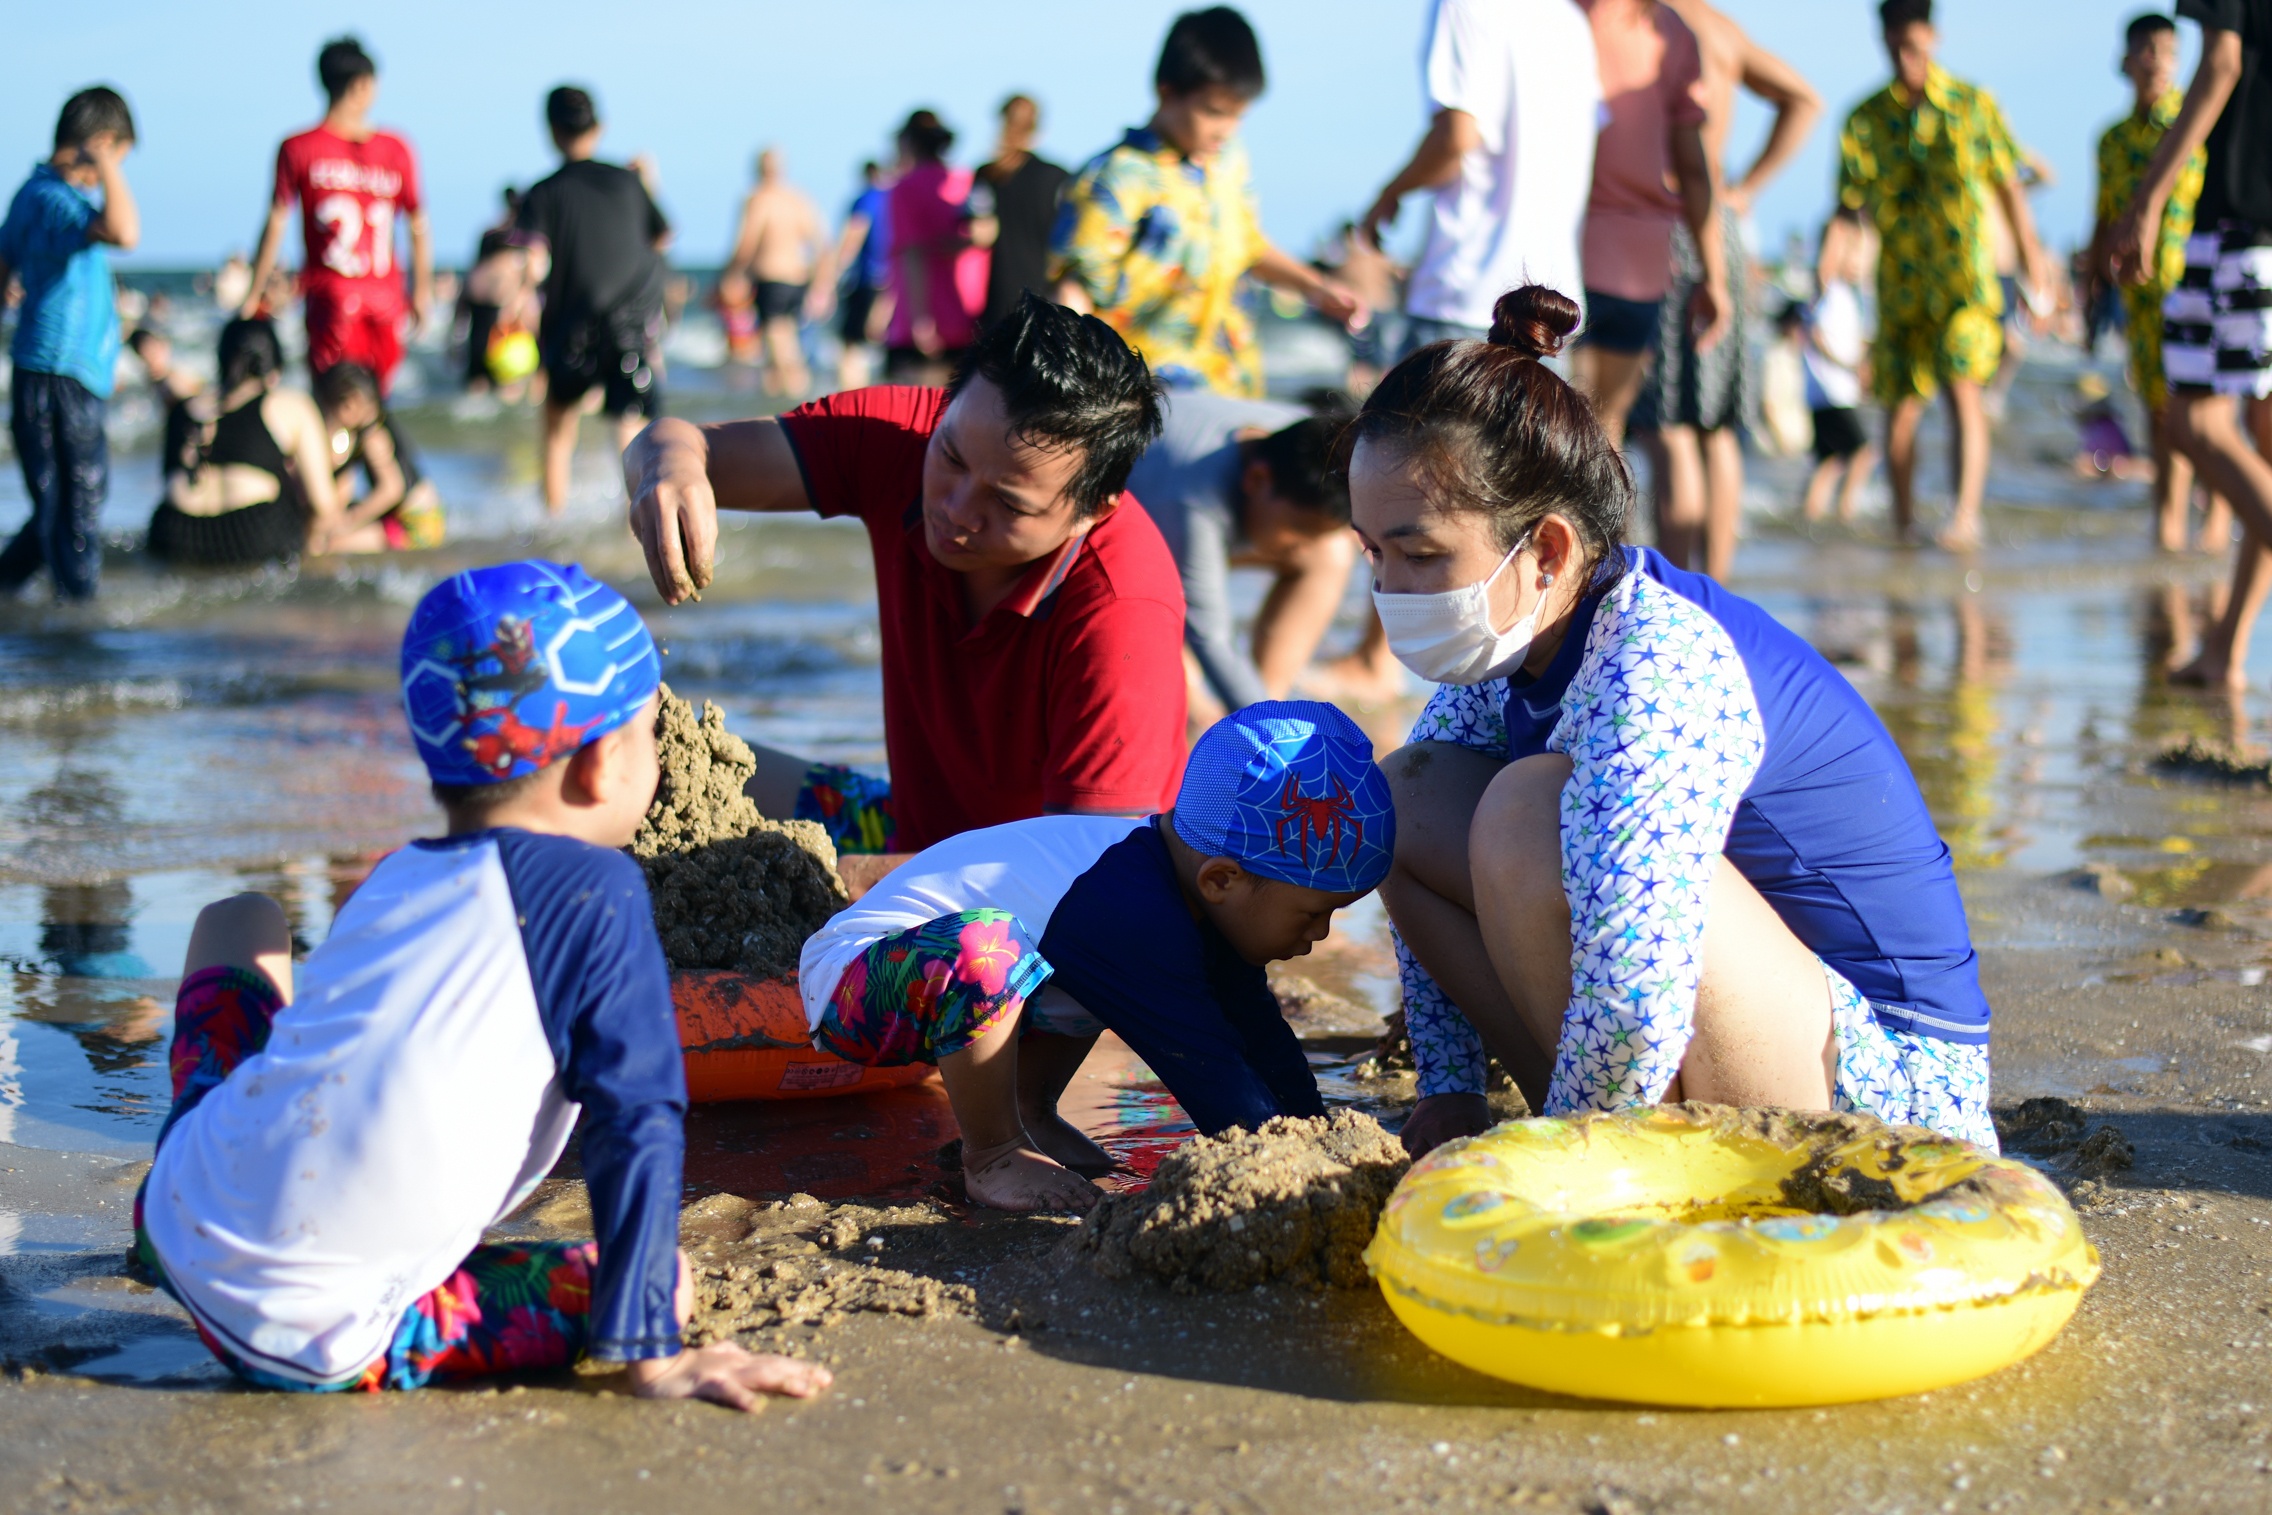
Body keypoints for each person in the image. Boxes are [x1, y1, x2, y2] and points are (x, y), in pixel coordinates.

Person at [131, 561, 831, 1409]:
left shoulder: (394, 878)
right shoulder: (597, 892)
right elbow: (634, 1117)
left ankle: (181, 1214)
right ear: (604, 764)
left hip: (178, 1211)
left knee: (241, 916)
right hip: (313, 1337)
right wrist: (654, 1350)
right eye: (653, 731)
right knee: (661, 1281)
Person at [1355, 286, 1995, 1161]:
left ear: (1543, 549)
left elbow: (1633, 985)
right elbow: (1417, 823)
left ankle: (1617, 1149)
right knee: (1408, 795)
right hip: (1734, 1015)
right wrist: (1451, 1089)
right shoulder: (1515, 650)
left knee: (1523, 808)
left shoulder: (1659, 659)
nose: (1388, 588)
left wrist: (1570, 1171)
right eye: (1373, 552)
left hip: (1887, 1085)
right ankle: (1604, 1123)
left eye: (1421, 554)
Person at [623, 293, 1184, 857]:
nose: (956, 508)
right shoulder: (904, 438)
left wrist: (853, 886)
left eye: (1009, 505)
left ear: (1094, 511)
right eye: (952, 458)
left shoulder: (1121, 610)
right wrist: (667, 467)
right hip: (899, 830)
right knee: (635, 755)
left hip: (1020, 900)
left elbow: (1088, 872)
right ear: (947, 406)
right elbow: (682, 444)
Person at [799, 700, 1391, 1210]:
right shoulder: (1131, 908)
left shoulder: (1188, 895)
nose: (1319, 935)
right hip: (858, 981)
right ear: (1222, 880)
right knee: (992, 948)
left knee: (1074, 964)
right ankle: (994, 1153)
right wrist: (1282, 1165)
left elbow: (1257, 1033)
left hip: (957, 977)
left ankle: (1029, 1113)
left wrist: (1316, 1136)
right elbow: (1205, 1063)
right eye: (1313, 913)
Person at [1052, 7, 1361, 398]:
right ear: (1168, 92)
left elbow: (1248, 246)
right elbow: (1075, 291)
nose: (1227, 130)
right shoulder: (1116, 177)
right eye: (1215, 112)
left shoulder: (1229, 163)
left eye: (1239, 116)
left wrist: (1318, 289)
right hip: (1141, 398)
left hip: (1233, 386)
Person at [1837, 0, 2055, 550]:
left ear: (1933, 38)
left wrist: (2033, 262)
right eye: (1895, 47)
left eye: (1914, 46)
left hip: (1965, 281)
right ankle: (1904, 524)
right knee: (1901, 407)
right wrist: (1832, 275)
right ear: (1881, 39)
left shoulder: (1973, 104)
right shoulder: (1864, 119)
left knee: (1964, 392)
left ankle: (1964, 518)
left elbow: (2008, 185)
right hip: (1899, 283)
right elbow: (1848, 207)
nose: (1906, 59)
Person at [1630, 0, 1820, 580]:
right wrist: (1746, 189)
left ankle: (1675, 587)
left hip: (1665, 220)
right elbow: (1804, 100)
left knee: (1668, 424)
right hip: (1722, 223)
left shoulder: (1642, 26)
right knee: (1717, 425)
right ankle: (1717, 587)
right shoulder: (1720, 29)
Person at [2117, 0, 2272, 688]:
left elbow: (2221, 62)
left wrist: (2148, 199)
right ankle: (2225, 652)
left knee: (2193, 422)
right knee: (2261, 446)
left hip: (2243, 221)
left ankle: (2224, 654)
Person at [1362, 0, 1600, 367]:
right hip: (1551, 312)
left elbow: (1456, 138)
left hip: (1466, 295)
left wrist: (1390, 193)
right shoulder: (1571, 22)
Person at [1125, 392, 1391, 717]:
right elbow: (1211, 637)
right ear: (1257, 478)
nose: (1299, 546)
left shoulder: (1316, 441)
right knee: (1188, 678)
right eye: (1298, 529)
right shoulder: (1191, 505)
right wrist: (1269, 732)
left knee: (1329, 552)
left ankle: (1266, 696)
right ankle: (1254, 718)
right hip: (1145, 525)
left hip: (1203, 506)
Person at [0, 87, 139, 602]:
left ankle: (10, 590)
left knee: (62, 505)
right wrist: (107, 163)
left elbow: (3, 260)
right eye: (115, 158)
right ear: (99, 144)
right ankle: (79, 624)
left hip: (56, 372)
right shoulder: (56, 201)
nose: (112, 176)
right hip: (57, 374)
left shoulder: (29, 195)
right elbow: (125, 232)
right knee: (75, 506)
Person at [1568, 0, 1725, 450]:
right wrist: (1714, 276)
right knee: (1607, 429)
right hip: (1643, 268)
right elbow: (1694, 169)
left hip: (1570, 254)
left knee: (1562, 433)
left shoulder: (1567, 15)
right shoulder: (1671, 31)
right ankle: (1608, 523)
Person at [2092, 13, 2216, 552]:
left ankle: (2213, 524)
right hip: (2140, 294)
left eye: (2165, 50)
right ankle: (2167, 523)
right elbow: (2104, 214)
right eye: (2144, 50)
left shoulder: (2198, 121)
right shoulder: (2113, 141)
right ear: (2125, 62)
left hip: (2197, 283)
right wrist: (2093, 279)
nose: (2154, 60)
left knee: (2203, 412)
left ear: (2179, 60)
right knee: (2158, 412)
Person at [243, 38, 430, 394]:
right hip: (386, 298)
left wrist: (255, 292)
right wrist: (420, 291)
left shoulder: (297, 147)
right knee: (373, 407)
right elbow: (418, 226)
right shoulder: (397, 148)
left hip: (332, 299)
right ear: (361, 85)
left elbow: (276, 222)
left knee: (331, 407)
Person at [517, 85, 672, 515]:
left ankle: (553, 520)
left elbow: (533, 264)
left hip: (571, 326)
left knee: (558, 430)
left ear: (551, 131)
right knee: (628, 429)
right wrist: (649, 181)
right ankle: (640, 526)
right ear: (598, 126)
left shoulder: (543, 193)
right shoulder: (629, 182)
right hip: (630, 324)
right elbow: (662, 235)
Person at [146, 318, 344, 569]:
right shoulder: (290, 404)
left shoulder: (184, 407)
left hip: (173, 533)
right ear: (274, 368)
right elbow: (323, 505)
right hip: (251, 533)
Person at [883, 110, 987, 385]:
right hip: (970, 312)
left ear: (908, 142)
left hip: (925, 315)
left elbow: (913, 255)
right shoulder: (967, 181)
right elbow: (983, 235)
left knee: (920, 411)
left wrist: (921, 319)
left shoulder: (905, 188)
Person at [722, 148, 828, 397]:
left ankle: (797, 411)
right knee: (777, 353)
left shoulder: (758, 198)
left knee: (782, 351)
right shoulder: (798, 199)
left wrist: (729, 275)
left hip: (771, 280)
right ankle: (775, 412)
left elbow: (746, 243)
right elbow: (822, 245)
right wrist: (821, 284)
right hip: (798, 280)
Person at [312, 362, 445, 551]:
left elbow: (392, 490)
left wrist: (348, 522)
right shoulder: (376, 424)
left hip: (415, 525)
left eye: (333, 412)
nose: (333, 420)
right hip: (422, 517)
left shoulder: (374, 438)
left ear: (353, 402)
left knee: (332, 545)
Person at [1800, 211, 1879, 523]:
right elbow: (1818, 337)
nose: (1860, 262)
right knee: (1864, 454)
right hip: (1830, 391)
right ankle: (1846, 511)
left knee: (1831, 460)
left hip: (1829, 393)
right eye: (1853, 252)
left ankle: (1811, 516)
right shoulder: (1827, 289)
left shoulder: (1850, 296)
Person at [975, 95, 1070, 333]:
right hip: (1045, 298)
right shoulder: (1057, 176)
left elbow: (981, 234)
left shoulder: (987, 175)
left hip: (997, 298)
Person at [459, 188, 539, 396]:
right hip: (495, 303)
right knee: (499, 369)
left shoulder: (497, 234)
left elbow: (474, 271)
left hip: (489, 301)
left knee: (487, 366)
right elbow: (532, 277)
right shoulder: (520, 238)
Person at [828, 161, 893, 391]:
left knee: (852, 345)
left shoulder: (867, 198)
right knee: (882, 340)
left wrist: (834, 272)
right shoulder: (896, 197)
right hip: (892, 281)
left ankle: (852, 399)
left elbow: (855, 233)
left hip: (868, 280)